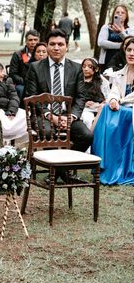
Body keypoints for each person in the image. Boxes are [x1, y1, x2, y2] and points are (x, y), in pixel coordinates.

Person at [25, 29, 93, 158]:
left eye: (60, 44)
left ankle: (62, 168)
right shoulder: (35, 68)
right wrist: (51, 116)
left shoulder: (76, 68)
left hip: (67, 115)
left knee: (86, 136)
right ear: (47, 45)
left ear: (67, 47)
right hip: (43, 115)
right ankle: (60, 169)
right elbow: (32, 98)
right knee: (49, 133)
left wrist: (71, 117)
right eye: (52, 44)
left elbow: (81, 97)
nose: (56, 48)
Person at [92, 37, 134, 185]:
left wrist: (120, 102)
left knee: (120, 113)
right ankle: (104, 163)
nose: (132, 53)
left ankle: (120, 166)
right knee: (106, 110)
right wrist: (113, 100)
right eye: (129, 50)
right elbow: (114, 90)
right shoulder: (119, 73)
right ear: (124, 51)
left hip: (131, 111)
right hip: (122, 110)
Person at [0, 62, 27, 143]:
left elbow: (14, 97)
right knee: (1, 119)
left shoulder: (8, 80)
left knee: (24, 114)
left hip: (8, 108)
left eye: (2, 70)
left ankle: (11, 138)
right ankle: (2, 139)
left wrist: (11, 111)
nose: (2, 73)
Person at [97, 4, 132, 69]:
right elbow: (101, 42)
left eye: (123, 12)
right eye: (117, 12)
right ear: (114, 14)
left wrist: (121, 32)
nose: (120, 14)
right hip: (107, 61)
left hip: (124, 61)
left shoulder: (130, 29)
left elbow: (131, 43)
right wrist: (120, 45)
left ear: (126, 15)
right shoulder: (106, 27)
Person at [8, 29, 40, 98]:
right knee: (21, 90)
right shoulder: (18, 54)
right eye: (30, 40)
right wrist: (25, 81)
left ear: (39, 41)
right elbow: (12, 74)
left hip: (39, 84)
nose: (33, 42)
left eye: (35, 40)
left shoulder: (43, 54)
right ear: (26, 41)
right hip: (23, 84)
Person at [79, 58, 109, 130]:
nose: (86, 69)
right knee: (87, 119)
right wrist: (84, 103)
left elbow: (108, 96)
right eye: (84, 66)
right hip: (85, 108)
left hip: (99, 107)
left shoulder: (102, 81)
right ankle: (89, 137)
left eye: (90, 67)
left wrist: (102, 104)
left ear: (96, 69)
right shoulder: (79, 80)